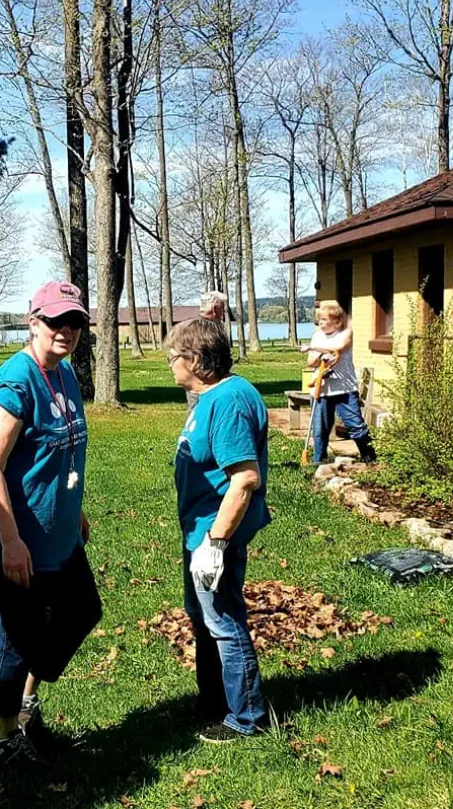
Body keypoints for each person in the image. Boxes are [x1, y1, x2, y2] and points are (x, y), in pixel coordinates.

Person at [0, 281, 102, 768]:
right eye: (57, 321)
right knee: (18, 637)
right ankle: (6, 737)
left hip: (57, 530)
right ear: (33, 322)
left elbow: (62, 451)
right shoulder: (15, 383)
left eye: (76, 322)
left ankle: (26, 698)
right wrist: (10, 541)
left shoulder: (62, 375)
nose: (67, 330)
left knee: (82, 610)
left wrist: (75, 508)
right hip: (14, 536)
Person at [166, 318, 270, 743]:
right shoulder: (211, 396)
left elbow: (244, 478)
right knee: (205, 618)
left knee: (224, 620)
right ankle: (215, 701)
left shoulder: (228, 401)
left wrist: (216, 544)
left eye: (172, 357)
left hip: (214, 533)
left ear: (193, 360)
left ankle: (247, 717)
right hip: (200, 531)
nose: (170, 365)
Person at [305, 300, 376, 465]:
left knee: (356, 425)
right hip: (322, 389)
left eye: (324, 320)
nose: (320, 324)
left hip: (345, 389)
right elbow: (311, 362)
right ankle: (318, 461)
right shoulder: (317, 336)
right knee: (320, 428)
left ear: (336, 321)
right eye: (319, 320)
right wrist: (318, 356)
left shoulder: (346, 333)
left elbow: (338, 348)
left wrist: (313, 349)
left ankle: (370, 459)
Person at [185, 291, 230, 410]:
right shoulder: (211, 330)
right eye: (222, 309)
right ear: (215, 309)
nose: (223, 314)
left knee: (196, 414)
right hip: (206, 382)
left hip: (194, 381)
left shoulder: (189, 327)